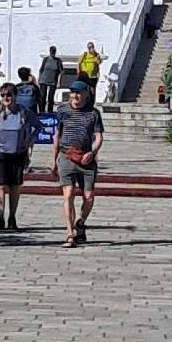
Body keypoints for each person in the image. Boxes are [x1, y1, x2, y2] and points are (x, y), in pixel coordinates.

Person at [51, 80, 104, 247]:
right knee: (68, 195)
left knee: (88, 196)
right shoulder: (62, 110)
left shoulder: (93, 114)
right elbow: (57, 135)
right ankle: (69, 233)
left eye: (79, 93)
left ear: (86, 95)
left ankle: (80, 222)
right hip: (66, 156)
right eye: (73, 92)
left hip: (85, 159)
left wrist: (92, 152)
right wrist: (53, 159)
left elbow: (98, 137)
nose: (75, 96)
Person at [0, 82, 41, 231]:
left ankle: (12, 216)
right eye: (3, 95)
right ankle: (0, 216)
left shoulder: (23, 113)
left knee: (14, 187)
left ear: (15, 96)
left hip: (17, 154)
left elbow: (38, 126)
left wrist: (29, 141)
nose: (6, 98)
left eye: (9, 95)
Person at [37, 46, 64, 112]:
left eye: (53, 51)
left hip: (53, 81)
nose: (52, 53)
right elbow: (41, 69)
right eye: (51, 51)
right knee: (42, 96)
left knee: (50, 97)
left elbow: (61, 72)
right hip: (44, 80)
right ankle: (42, 110)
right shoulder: (46, 59)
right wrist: (39, 78)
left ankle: (50, 111)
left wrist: (58, 82)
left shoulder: (58, 61)